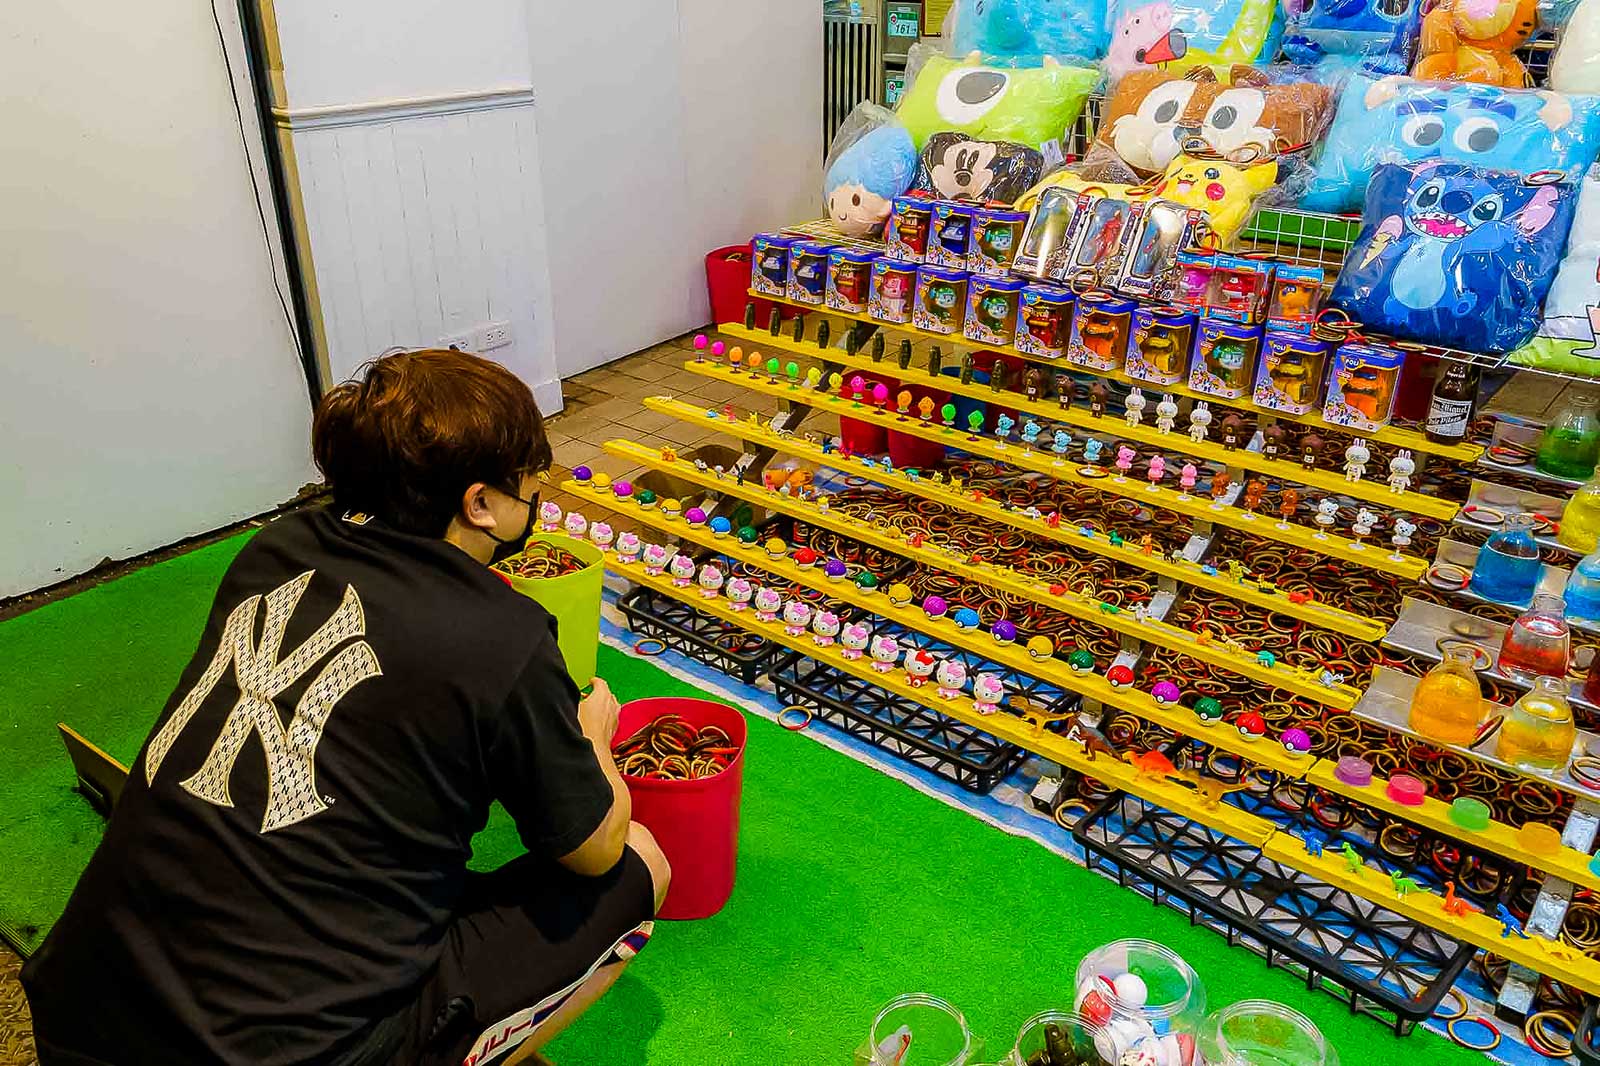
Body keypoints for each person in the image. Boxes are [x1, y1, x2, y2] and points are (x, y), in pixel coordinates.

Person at [23, 349, 669, 1066]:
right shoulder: (501, 633)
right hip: (286, 1055)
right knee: (641, 862)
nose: (535, 496)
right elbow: (593, 847)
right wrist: (595, 739)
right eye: (529, 481)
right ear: (481, 502)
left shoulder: (274, 548)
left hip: (81, 1008)